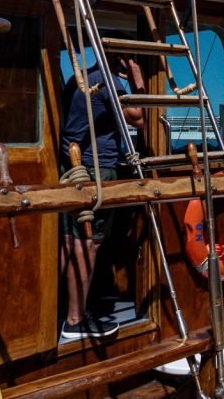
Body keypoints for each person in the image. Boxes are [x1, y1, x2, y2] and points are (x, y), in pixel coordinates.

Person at [59, 55, 145, 339]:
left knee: (72, 241)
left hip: (74, 166)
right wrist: (138, 77)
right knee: (88, 243)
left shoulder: (80, 79)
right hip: (96, 169)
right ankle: (74, 319)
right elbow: (140, 118)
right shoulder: (107, 81)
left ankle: (66, 309)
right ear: (121, 59)